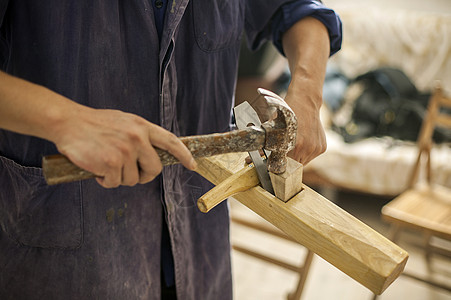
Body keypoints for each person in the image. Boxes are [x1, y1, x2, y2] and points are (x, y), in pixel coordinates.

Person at [0, 1, 341, 299]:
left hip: (198, 247)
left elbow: (297, 9)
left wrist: (308, 94)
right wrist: (66, 120)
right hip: (62, 250)